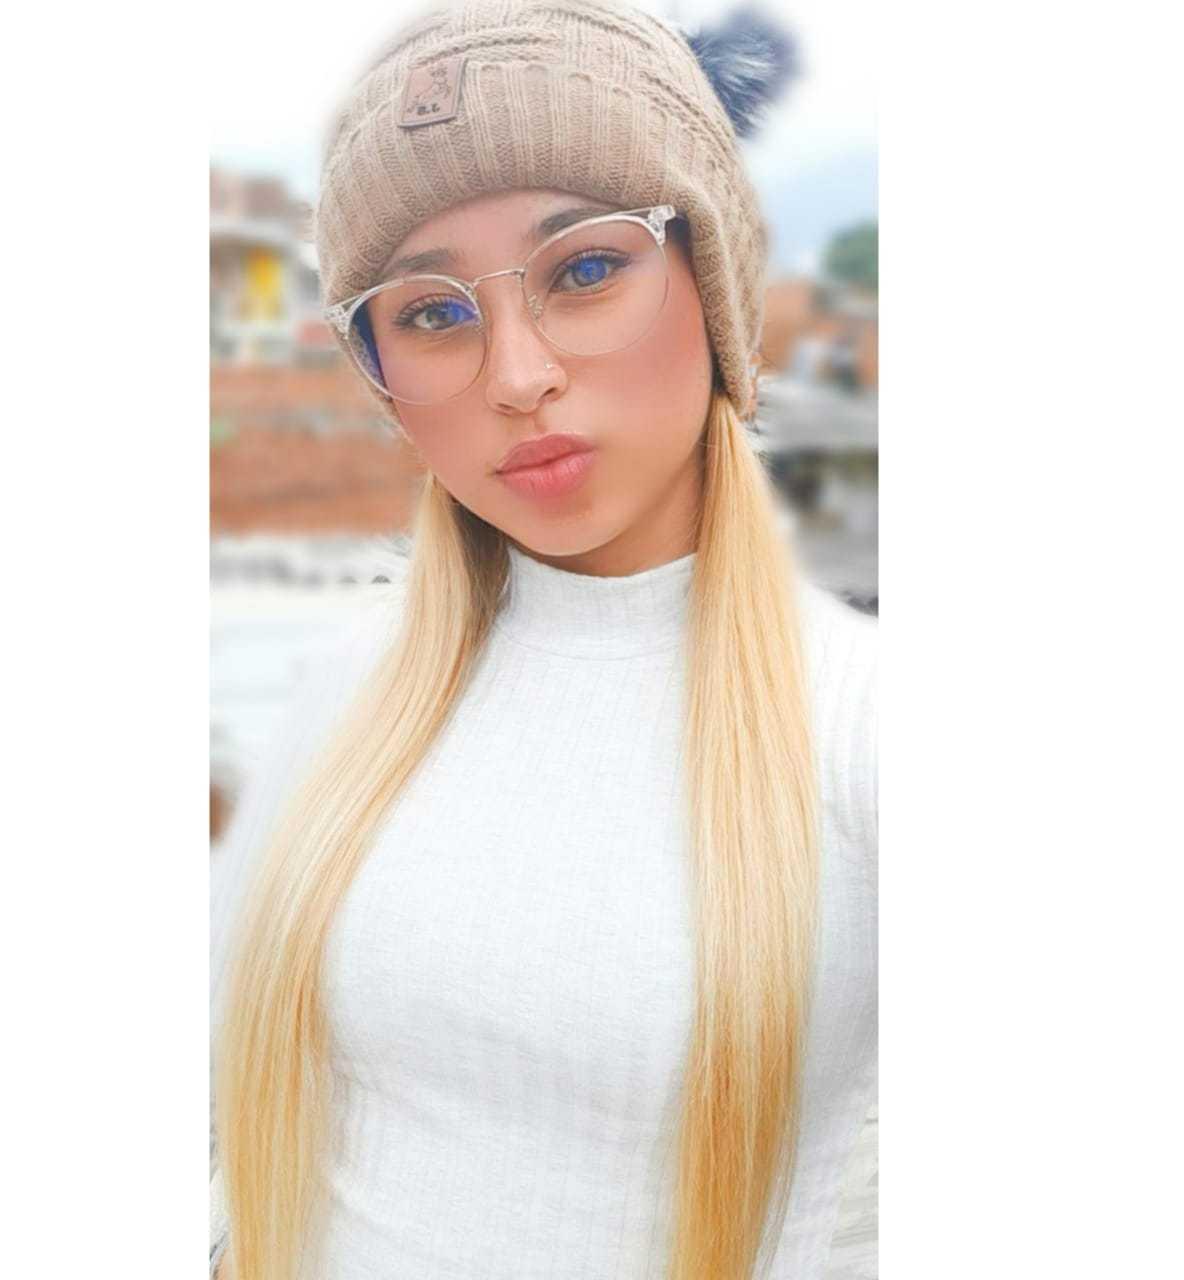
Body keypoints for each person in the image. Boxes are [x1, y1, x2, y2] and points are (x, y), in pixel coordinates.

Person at [210, 2, 878, 1278]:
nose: (515, 374)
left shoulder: (860, 727)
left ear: (713, 285)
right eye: (430, 313)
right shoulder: (341, 693)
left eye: (582, 270)